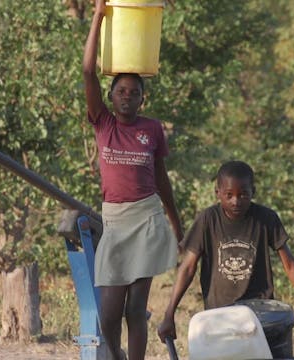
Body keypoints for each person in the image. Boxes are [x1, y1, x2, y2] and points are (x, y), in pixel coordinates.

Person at [82, 0, 184, 359]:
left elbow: (161, 178)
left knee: (135, 309)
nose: (127, 97)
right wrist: (97, 15)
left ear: (143, 99)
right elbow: (88, 72)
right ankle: (118, 354)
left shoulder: (152, 129)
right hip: (115, 220)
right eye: (121, 91)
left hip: (147, 219)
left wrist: (176, 221)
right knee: (108, 314)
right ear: (111, 98)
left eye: (134, 92)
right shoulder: (104, 123)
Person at [158, 160, 294, 357]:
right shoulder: (208, 219)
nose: (236, 201)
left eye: (243, 194)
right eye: (229, 195)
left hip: (259, 315)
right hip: (220, 315)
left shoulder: (265, 218)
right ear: (217, 193)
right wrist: (169, 314)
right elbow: (188, 268)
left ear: (253, 191)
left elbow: (289, 264)